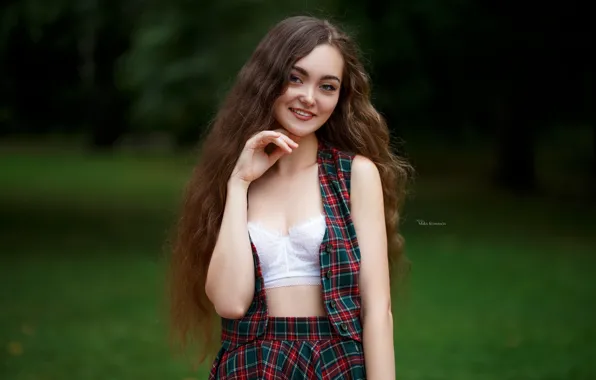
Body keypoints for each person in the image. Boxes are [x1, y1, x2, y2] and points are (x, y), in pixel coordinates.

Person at [168, 15, 412, 379]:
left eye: (327, 87)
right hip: (251, 363)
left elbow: (377, 309)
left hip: (336, 362)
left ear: (340, 97)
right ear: (268, 80)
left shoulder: (355, 175)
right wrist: (238, 184)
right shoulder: (236, 177)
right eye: (295, 78)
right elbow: (231, 302)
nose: (309, 98)